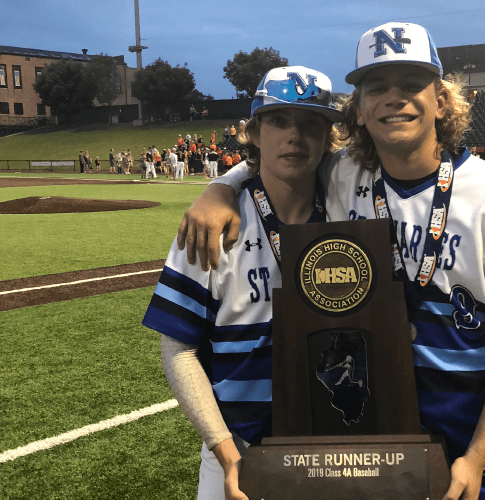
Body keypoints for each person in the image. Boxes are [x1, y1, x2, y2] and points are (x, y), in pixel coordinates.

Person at [175, 22, 485, 500]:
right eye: (377, 88)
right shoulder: (343, 176)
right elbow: (278, 154)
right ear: (358, 111)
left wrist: (477, 458)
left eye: (411, 85)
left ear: (442, 100)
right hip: (372, 447)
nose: (394, 99)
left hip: (472, 451)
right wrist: (219, 189)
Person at [143, 65, 343, 500]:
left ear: (330, 137)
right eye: (278, 120)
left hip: (335, 447)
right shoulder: (208, 228)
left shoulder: (351, 212)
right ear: (253, 131)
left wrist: (221, 183)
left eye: (312, 123)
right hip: (237, 448)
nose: (294, 135)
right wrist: (227, 452)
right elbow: (178, 347)